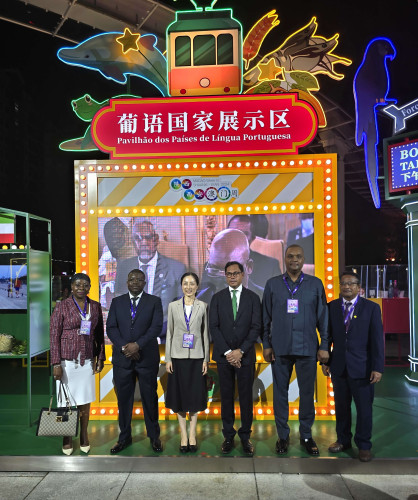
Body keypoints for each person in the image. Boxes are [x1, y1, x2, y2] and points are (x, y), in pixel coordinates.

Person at [262, 244, 329, 456]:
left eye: (298, 256)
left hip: (307, 348)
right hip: (280, 349)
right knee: (280, 394)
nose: (294, 260)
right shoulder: (273, 285)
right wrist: (266, 344)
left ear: (303, 259)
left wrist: (325, 345)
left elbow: (323, 318)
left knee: (307, 394)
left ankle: (306, 435)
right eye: (290, 256)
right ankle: (283, 436)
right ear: (285, 258)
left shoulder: (315, 285)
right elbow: (265, 319)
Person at [322, 271, 384, 462]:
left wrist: (377, 367)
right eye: (343, 284)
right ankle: (343, 440)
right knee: (341, 408)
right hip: (339, 367)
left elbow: (377, 340)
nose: (347, 287)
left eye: (351, 284)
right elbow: (328, 336)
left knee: (364, 409)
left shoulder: (371, 308)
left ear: (358, 287)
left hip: (363, 369)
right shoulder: (331, 307)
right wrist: (325, 361)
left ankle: (364, 445)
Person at [107, 268, 164, 454]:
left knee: (150, 398)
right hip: (122, 360)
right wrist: (126, 347)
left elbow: (155, 328)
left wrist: (137, 345)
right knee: (124, 400)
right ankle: (124, 437)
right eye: (132, 279)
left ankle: (154, 436)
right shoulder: (116, 302)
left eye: (139, 280)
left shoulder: (154, 302)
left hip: (146, 358)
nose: (135, 282)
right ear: (127, 282)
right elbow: (111, 328)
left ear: (145, 282)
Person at [209, 261, 262, 456]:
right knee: (227, 397)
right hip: (224, 358)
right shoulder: (217, 298)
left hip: (245, 356)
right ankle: (228, 435)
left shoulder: (253, 298)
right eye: (229, 274)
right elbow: (213, 327)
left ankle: (246, 436)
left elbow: (256, 327)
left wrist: (240, 351)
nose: (232, 276)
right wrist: (228, 353)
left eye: (236, 273)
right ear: (225, 276)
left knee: (246, 398)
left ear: (242, 274)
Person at [50, 273, 105, 455]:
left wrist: (100, 357)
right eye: (77, 284)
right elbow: (54, 336)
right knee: (66, 402)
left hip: (87, 361)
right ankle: (67, 437)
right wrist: (56, 363)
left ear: (90, 287)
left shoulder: (95, 307)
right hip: (67, 361)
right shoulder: (62, 306)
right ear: (71, 287)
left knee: (84, 403)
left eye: (85, 284)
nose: (81, 287)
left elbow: (99, 336)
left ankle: (83, 435)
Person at [114, 219, 186, 340]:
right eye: (138, 238)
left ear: (156, 240)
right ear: (132, 242)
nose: (143, 242)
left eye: (148, 237)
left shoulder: (177, 268)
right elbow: (119, 304)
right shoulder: (124, 267)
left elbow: (181, 308)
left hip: (165, 333)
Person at [165, 272, 209, 453]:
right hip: (178, 357)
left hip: (197, 358)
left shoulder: (203, 306)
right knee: (179, 399)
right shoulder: (173, 306)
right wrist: (168, 358)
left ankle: (192, 435)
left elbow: (205, 334)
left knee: (195, 398)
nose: (188, 287)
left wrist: (206, 358)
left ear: (197, 286)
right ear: (181, 286)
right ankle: (183, 435)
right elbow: (169, 333)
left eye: (192, 284)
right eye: (185, 283)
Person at [198, 228, 263, 302]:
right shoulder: (195, 304)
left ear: (249, 267)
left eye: (231, 271)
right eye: (215, 270)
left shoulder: (267, 301)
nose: (223, 278)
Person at [227, 214, 281, 288]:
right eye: (234, 232)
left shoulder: (271, 266)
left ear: (252, 238)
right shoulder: (211, 268)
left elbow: (277, 297)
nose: (239, 237)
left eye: (245, 234)